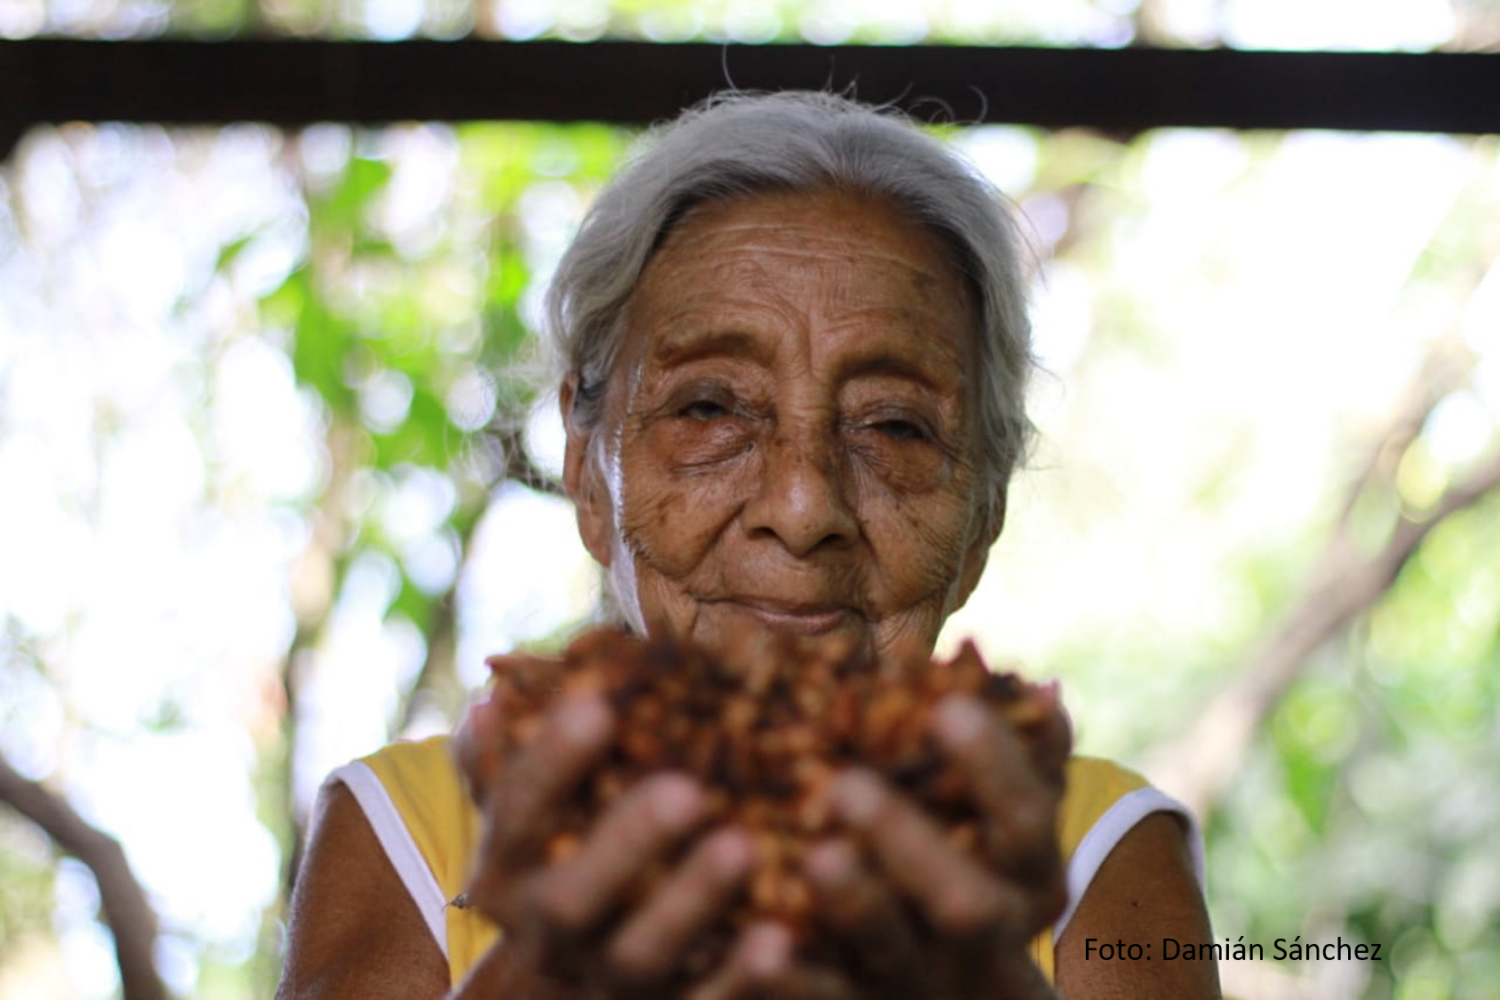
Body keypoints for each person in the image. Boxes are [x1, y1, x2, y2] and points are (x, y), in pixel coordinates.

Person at [277, 91, 1222, 998]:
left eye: (894, 427)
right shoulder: (415, 830)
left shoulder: (1090, 851)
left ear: (984, 509)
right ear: (585, 465)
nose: (804, 505)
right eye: (709, 408)